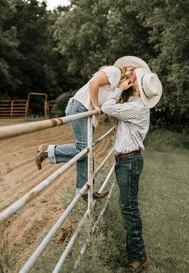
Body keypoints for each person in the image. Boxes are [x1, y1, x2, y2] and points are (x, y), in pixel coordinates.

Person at [35, 56, 151, 200]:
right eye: (135, 75)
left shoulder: (117, 86)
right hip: (80, 107)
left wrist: (117, 94)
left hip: (85, 111)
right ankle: (48, 151)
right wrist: (96, 106)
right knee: (83, 148)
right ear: (129, 70)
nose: (134, 81)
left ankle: (84, 190)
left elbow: (110, 106)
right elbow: (93, 83)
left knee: (86, 150)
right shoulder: (114, 72)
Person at [101, 67, 162, 271]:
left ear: (137, 88)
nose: (127, 79)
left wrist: (119, 89)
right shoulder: (134, 104)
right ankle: (137, 253)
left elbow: (107, 108)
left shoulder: (137, 108)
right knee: (129, 208)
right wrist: (124, 87)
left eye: (132, 78)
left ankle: (138, 257)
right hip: (128, 161)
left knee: (129, 209)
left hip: (128, 162)